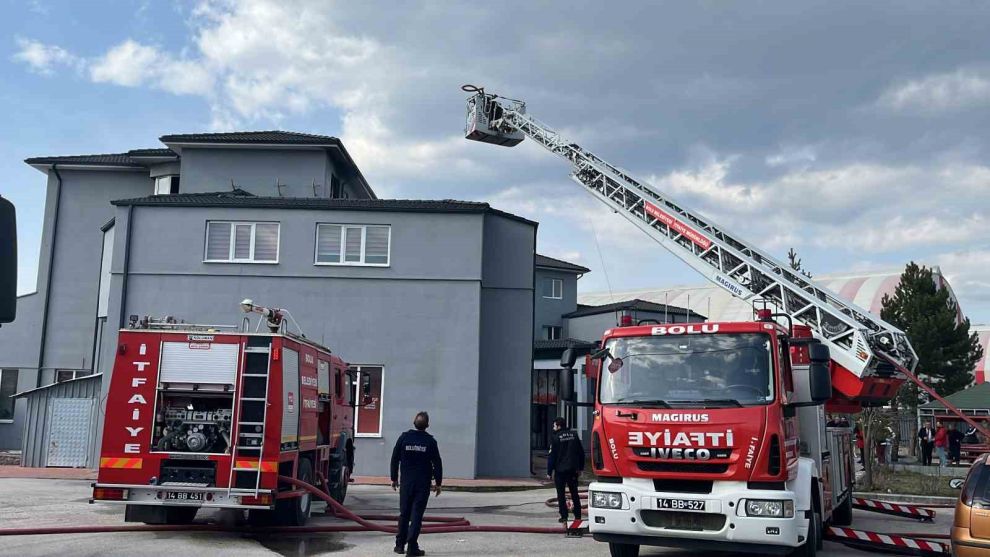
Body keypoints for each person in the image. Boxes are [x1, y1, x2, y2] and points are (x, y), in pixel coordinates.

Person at [390, 412, 443, 557]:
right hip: (422, 484)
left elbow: (394, 459)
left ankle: (399, 545)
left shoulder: (404, 438)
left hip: (406, 483)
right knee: (417, 515)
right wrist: (438, 483)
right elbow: (437, 463)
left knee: (404, 514)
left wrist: (394, 478)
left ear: (414, 423)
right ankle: (412, 547)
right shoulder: (430, 442)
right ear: (427, 425)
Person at [547, 417, 585, 523]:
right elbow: (581, 453)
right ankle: (578, 516)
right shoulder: (574, 435)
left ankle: (564, 516)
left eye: (554, 426)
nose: (553, 428)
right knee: (574, 493)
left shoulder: (555, 437)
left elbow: (552, 456)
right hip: (573, 470)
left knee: (561, 494)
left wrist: (549, 472)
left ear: (558, 426)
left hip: (560, 471)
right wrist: (580, 468)